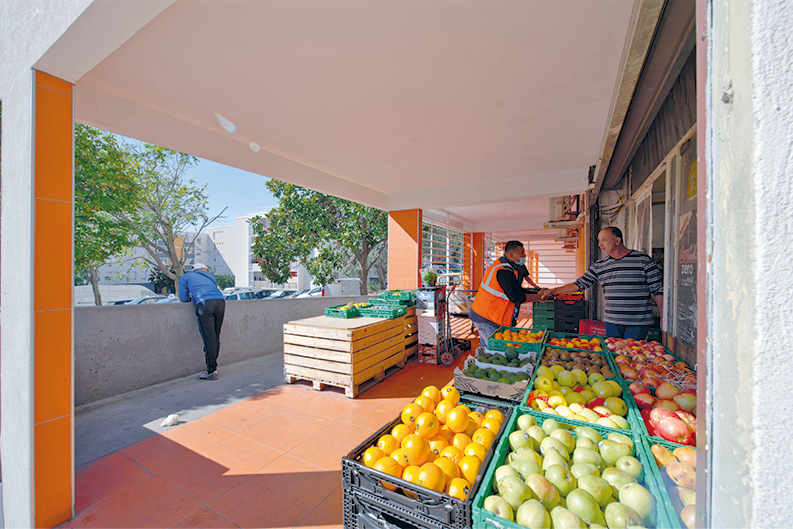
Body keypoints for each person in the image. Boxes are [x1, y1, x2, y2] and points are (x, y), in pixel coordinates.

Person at [540, 227, 663, 340]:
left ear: (617, 241)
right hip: (612, 321)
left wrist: (663, 318)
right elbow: (579, 284)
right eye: (599, 240)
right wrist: (552, 291)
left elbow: (657, 289)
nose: (600, 244)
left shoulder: (643, 260)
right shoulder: (600, 266)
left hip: (638, 322)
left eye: (604, 240)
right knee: (613, 356)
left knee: (633, 356)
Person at [470, 240, 544, 345]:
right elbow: (517, 297)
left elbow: (516, 289)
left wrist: (536, 293)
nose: (525, 255)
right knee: (494, 351)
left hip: (485, 315)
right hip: (487, 317)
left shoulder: (509, 267)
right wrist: (539, 297)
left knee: (487, 348)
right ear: (511, 255)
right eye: (521, 253)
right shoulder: (504, 271)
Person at [178, 263, 226, 380]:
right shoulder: (211, 277)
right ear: (203, 269)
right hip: (220, 302)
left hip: (205, 304)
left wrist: (192, 297)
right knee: (215, 336)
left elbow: (183, 298)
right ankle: (213, 366)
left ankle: (211, 371)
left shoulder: (186, 277)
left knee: (209, 338)